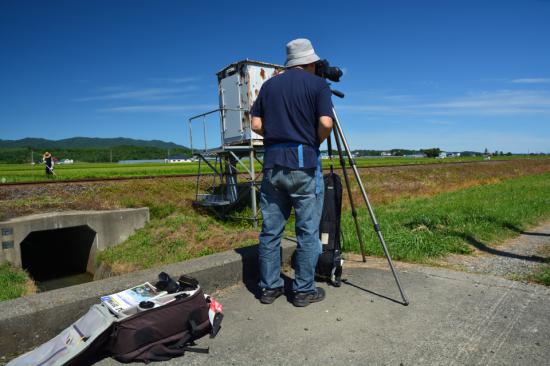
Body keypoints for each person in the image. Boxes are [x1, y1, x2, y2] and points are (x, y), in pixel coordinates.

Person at [250, 38, 334, 307]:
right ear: (310, 62)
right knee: (307, 231)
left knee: (270, 231)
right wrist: (314, 140)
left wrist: (275, 134)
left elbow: (255, 123)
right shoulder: (318, 85)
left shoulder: (269, 85)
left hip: (273, 164)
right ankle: (302, 291)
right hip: (304, 163)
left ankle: (269, 288)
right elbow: (325, 122)